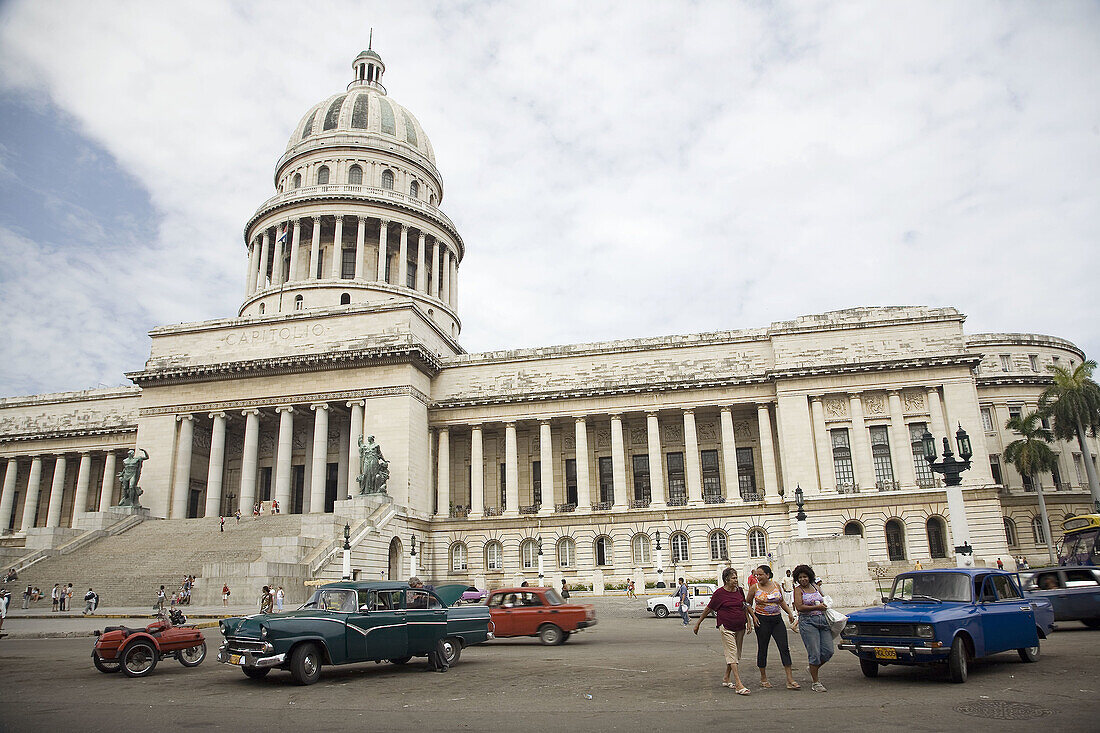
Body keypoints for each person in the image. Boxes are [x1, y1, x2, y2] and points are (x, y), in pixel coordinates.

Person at [693, 567, 753, 694]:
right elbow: (708, 609)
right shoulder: (719, 594)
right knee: (732, 653)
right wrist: (698, 623)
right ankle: (738, 684)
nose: (736, 580)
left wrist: (749, 621)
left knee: (735, 655)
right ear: (726, 579)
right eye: (733, 578)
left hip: (740, 626)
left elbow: (744, 606)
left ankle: (726, 678)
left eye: (736, 577)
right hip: (726, 626)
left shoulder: (740, 591)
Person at [748, 564, 800, 690]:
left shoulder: (776, 585)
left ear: (768, 574)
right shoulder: (754, 588)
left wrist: (789, 613)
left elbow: (781, 600)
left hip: (777, 620)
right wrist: (752, 617)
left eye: (760, 574)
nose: (758, 577)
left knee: (784, 648)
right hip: (762, 620)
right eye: (757, 575)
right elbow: (747, 603)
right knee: (763, 648)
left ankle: (789, 679)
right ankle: (763, 678)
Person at [792, 564, 833, 692]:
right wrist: (817, 607)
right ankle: (816, 682)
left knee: (828, 651)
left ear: (809, 577)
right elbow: (799, 607)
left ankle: (812, 668)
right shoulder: (798, 590)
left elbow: (824, 599)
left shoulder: (816, 586)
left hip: (822, 620)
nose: (803, 579)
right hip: (808, 622)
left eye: (805, 576)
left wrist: (825, 605)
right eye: (800, 577)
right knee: (814, 653)